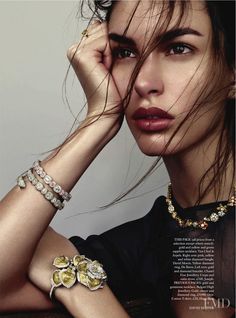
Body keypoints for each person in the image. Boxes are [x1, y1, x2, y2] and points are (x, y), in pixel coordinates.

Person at [0, 0, 235, 317]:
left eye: (178, 48)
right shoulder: (145, 244)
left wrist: (88, 294)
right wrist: (98, 121)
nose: (143, 82)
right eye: (125, 52)